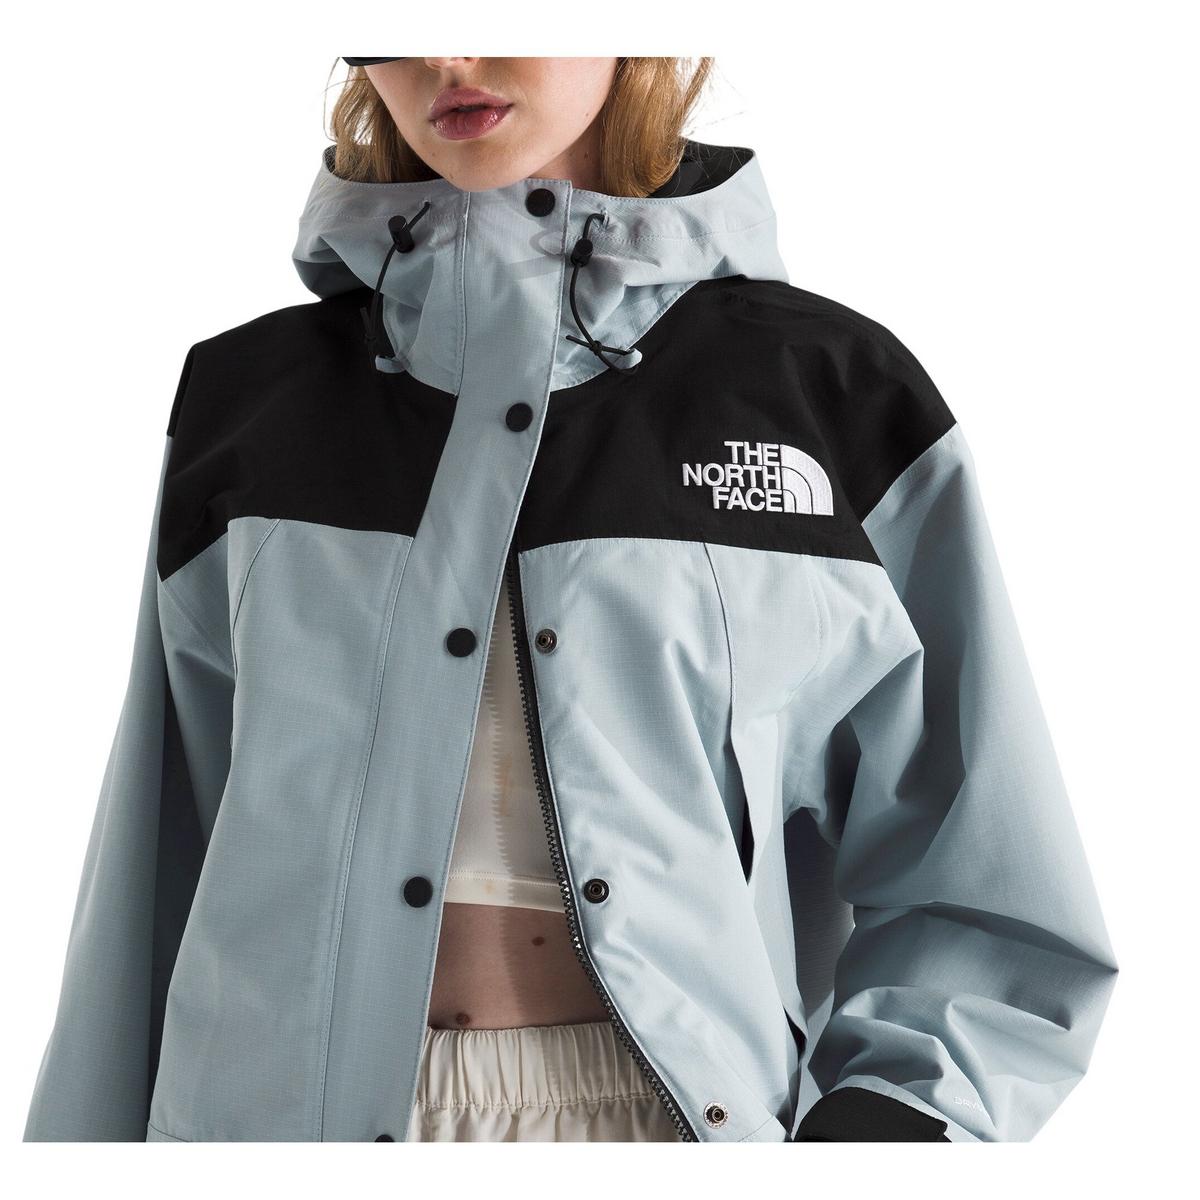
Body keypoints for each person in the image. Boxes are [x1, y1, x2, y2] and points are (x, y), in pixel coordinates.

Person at [23, 56, 1117, 1144]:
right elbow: (154, 868)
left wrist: (881, 1141)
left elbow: (982, 884)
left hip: (654, 1127)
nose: (446, 54)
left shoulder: (828, 397)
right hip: (265, 1128)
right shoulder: (248, 404)